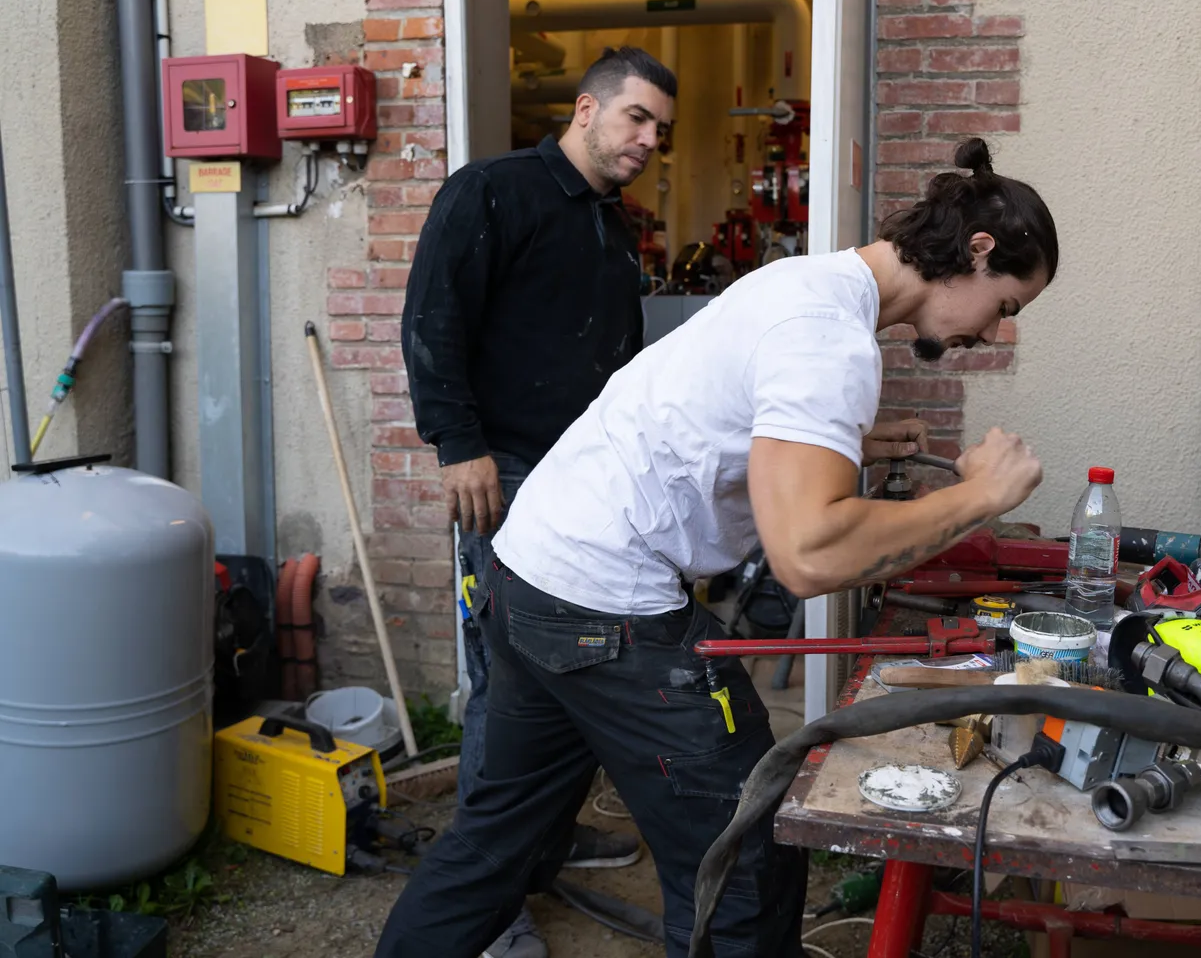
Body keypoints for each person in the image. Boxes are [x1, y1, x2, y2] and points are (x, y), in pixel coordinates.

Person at [377, 136, 1058, 958]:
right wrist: (979, 496)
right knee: (744, 860)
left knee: (494, 846)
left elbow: (727, 421)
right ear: (977, 252)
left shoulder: (810, 282)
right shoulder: (830, 341)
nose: (993, 334)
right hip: (604, 601)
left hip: (530, 569)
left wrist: (847, 447)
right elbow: (809, 555)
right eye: (1007, 307)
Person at [399, 46, 677, 958]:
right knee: (508, 685)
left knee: (570, 678)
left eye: (660, 130)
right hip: (506, 476)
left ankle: (544, 848)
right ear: (586, 108)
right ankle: (495, 895)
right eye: (637, 117)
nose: (648, 139)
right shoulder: (495, 191)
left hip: (588, 485)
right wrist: (459, 445)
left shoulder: (609, 223)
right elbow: (432, 316)